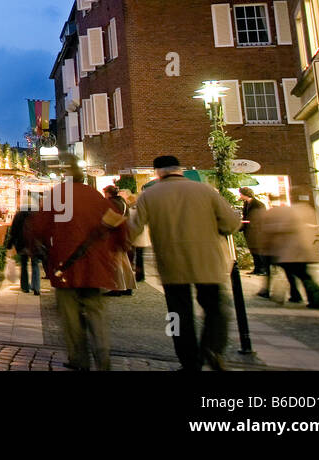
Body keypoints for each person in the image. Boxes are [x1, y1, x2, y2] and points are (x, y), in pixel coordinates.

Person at [129, 155, 241, 371]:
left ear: (157, 173)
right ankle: (212, 347)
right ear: (180, 170)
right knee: (215, 308)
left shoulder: (149, 195)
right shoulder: (206, 191)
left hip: (171, 263)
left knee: (177, 315)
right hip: (208, 260)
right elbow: (231, 223)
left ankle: (188, 361)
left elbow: (134, 228)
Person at [27, 157, 128, 370]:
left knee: (70, 317)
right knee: (96, 314)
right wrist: (118, 250)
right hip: (94, 265)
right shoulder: (96, 197)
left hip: (65, 265)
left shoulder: (56, 196)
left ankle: (78, 359)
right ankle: (103, 358)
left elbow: (37, 227)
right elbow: (119, 224)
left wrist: (39, 251)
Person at [260, 201, 319, 309]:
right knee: (297, 274)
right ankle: (297, 295)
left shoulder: (289, 216)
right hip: (295, 253)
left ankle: (315, 299)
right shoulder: (300, 211)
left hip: (292, 253)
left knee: (302, 275)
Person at [102, 185, 136, 296]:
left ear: (108, 193)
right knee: (124, 263)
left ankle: (117, 288)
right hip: (124, 233)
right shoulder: (123, 202)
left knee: (116, 264)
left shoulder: (111, 203)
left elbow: (108, 220)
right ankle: (128, 286)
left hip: (114, 235)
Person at [5, 200, 40, 296]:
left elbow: (13, 231)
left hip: (22, 244)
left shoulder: (19, 215)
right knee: (35, 265)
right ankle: (36, 287)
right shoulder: (37, 215)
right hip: (34, 244)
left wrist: (9, 245)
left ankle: (25, 287)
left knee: (24, 265)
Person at [239, 187, 268, 275]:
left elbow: (260, 218)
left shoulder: (258, 205)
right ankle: (257, 268)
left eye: (241, 194)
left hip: (257, 231)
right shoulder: (246, 204)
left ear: (245, 194)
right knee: (253, 250)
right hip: (249, 231)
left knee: (258, 249)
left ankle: (263, 269)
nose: (240, 195)